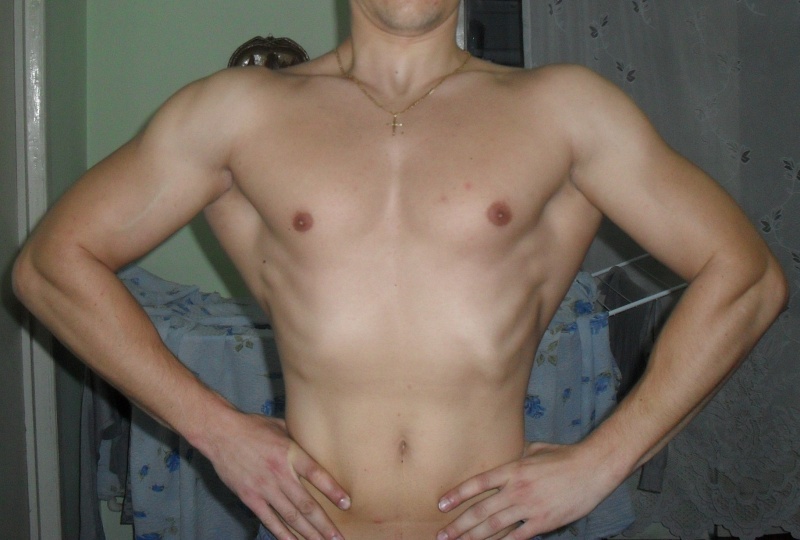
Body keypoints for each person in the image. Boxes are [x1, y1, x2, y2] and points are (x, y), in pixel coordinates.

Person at [13, 1, 787, 539]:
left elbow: (746, 277)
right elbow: (51, 266)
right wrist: (216, 430)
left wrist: (603, 462)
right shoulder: (236, 112)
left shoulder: (565, 110)